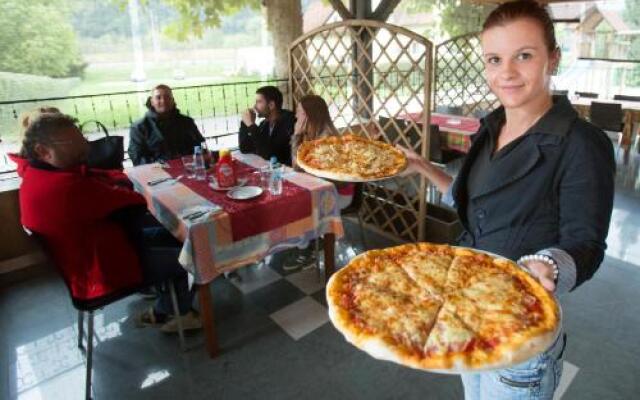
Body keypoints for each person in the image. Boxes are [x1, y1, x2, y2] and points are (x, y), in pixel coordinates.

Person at [400, 2, 614, 399]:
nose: (507, 73)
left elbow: (587, 243)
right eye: (494, 59)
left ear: (553, 59)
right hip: (468, 307)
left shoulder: (581, 144)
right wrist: (424, 168)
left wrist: (549, 263)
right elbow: (479, 204)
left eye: (525, 56)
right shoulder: (491, 125)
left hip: (521, 327)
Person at [11, 112, 201, 333]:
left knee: (171, 233)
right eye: (73, 142)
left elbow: (98, 178)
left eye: (80, 136)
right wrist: (119, 187)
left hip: (89, 255)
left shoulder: (35, 175)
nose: (84, 145)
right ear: (42, 151)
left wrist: (115, 183)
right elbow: (137, 202)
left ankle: (166, 303)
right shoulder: (68, 188)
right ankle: (182, 313)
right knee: (189, 255)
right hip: (104, 268)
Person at [284, 95, 354, 270]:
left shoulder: (326, 139)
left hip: (338, 194)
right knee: (289, 197)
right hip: (321, 188)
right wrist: (298, 136)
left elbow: (299, 170)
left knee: (296, 204)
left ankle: (305, 250)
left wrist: (296, 135)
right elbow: (297, 168)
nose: (296, 116)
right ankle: (307, 241)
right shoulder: (314, 133)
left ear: (308, 115)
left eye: (299, 112)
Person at [128, 84, 205, 166]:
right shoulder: (139, 127)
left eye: (167, 97)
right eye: (158, 97)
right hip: (156, 172)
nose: (163, 101)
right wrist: (162, 164)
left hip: (188, 168)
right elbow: (137, 157)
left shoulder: (187, 122)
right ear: (152, 102)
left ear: (173, 100)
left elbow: (198, 146)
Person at [239, 85, 295, 166]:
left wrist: (251, 126)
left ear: (271, 105)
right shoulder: (265, 124)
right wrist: (245, 123)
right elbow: (245, 148)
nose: (255, 106)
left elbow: (269, 155)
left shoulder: (289, 121)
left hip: (287, 172)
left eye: (259, 102)